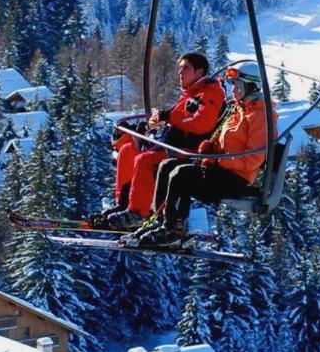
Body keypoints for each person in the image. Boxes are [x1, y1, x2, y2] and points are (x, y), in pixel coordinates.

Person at [131, 61, 277, 246]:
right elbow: (225, 143)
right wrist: (210, 149)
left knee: (182, 174)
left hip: (235, 179)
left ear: (251, 86)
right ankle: (159, 219)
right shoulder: (238, 110)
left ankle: (173, 228)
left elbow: (252, 159)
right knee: (167, 165)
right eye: (232, 86)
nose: (233, 91)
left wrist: (217, 160)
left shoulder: (261, 117)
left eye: (237, 86)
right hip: (220, 172)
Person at [96, 52, 225, 229]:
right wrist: (155, 124)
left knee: (145, 160)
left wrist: (169, 117)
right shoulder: (190, 93)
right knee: (127, 151)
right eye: (180, 69)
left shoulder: (210, 94)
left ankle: (138, 213)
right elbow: (176, 118)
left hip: (186, 151)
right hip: (170, 144)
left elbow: (201, 123)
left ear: (199, 71)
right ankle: (125, 204)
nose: (180, 73)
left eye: (186, 68)